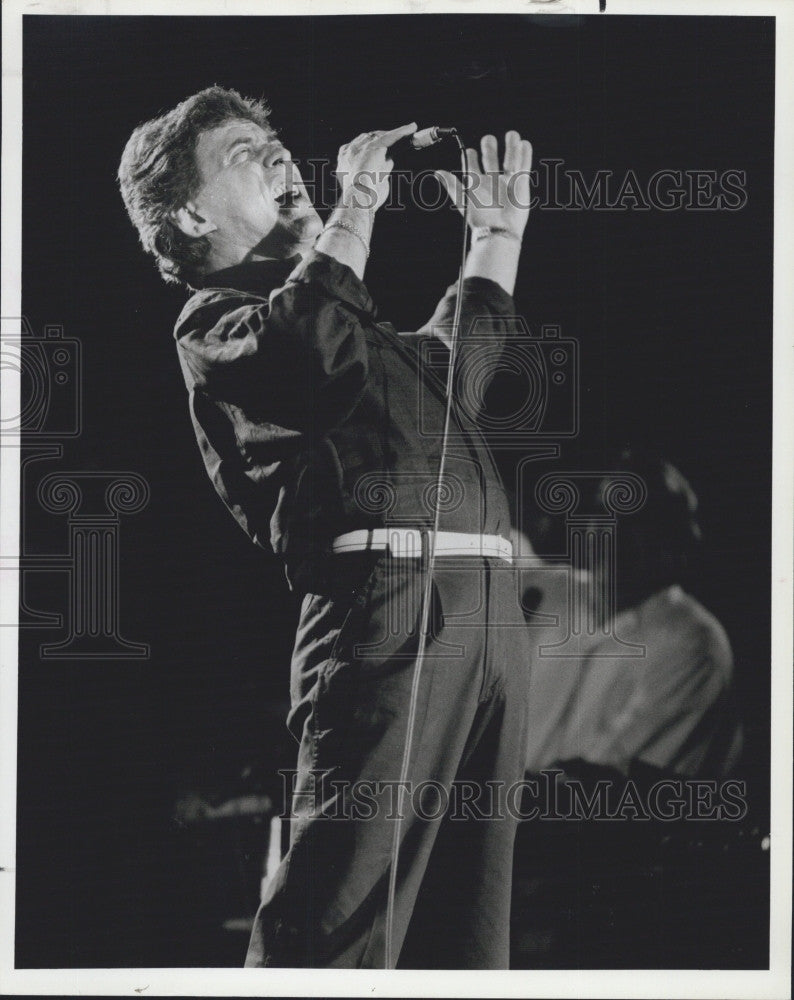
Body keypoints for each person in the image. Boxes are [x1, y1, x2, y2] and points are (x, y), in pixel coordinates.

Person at [118, 86, 534, 969]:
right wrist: (356, 208)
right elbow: (305, 347)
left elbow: (453, 381)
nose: (277, 157)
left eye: (274, 140)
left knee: (466, 938)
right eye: (241, 152)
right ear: (191, 214)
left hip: (485, 620)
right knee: (337, 922)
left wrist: (497, 240)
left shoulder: (351, 325)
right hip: (393, 616)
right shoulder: (218, 325)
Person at [518, 452, 742, 778]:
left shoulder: (694, 645)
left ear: (672, 541)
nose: (611, 530)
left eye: (637, 518)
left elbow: (606, 785)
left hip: (576, 825)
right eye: (601, 511)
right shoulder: (550, 591)